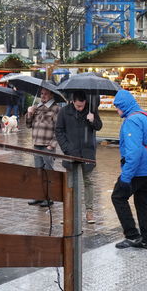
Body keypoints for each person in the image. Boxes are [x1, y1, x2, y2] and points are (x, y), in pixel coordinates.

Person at [111, 90, 147, 250]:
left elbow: (134, 152)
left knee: (118, 196)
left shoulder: (132, 121)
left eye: (118, 107)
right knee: (142, 200)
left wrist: (126, 177)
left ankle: (132, 236)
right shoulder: (143, 115)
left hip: (138, 169)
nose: (117, 110)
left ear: (124, 106)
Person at [55, 91, 103, 224]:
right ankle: (69, 212)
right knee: (70, 183)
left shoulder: (91, 110)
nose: (80, 108)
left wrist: (93, 120)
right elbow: (58, 131)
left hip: (87, 153)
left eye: (82, 106)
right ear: (73, 102)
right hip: (71, 152)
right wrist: (66, 148)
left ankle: (89, 211)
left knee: (88, 181)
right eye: (78, 106)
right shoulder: (64, 112)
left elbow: (99, 126)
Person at [26, 87, 61, 207]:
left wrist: (52, 145)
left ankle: (49, 197)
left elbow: (59, 129)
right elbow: (28, 125)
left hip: (47, 146)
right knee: (38, 172)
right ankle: (39, 196)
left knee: (48, 172)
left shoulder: (56, 108)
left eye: (46, 93)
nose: (43, 95)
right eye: (41, 93)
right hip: (37, 144)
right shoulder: (37, 107)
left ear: (51, 95)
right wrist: (29, 113)